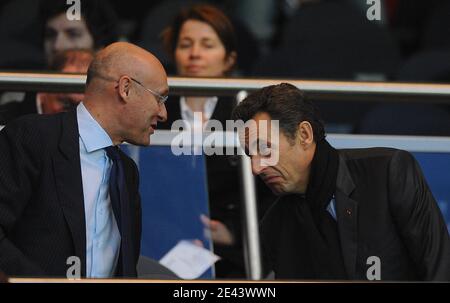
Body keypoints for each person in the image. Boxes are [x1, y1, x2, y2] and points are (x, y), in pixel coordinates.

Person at [231, 83, 450, 281]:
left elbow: (441, 270)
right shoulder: (275, 225)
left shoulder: (387, 172)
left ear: (304, 135)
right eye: (251, 155)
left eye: (265, 149)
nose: (255, 167)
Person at [0, 42, 169, 278]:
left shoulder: (127, 171)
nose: (163, 113)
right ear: (126, 88)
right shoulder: (32, 137)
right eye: (159, 98)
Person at [159, 4, 275, 278]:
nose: (195, 53)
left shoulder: (250, 113)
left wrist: (234, 232)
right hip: (164, 248)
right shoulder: (158, 111)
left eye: (207, 44)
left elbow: (271, 191)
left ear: (229, 59)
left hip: (236, 255)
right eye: (185, 44)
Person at [0, 49, 94, 125]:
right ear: (44, 91)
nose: (75, 116)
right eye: (66, 103)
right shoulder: (7, 122)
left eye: (84, 107)